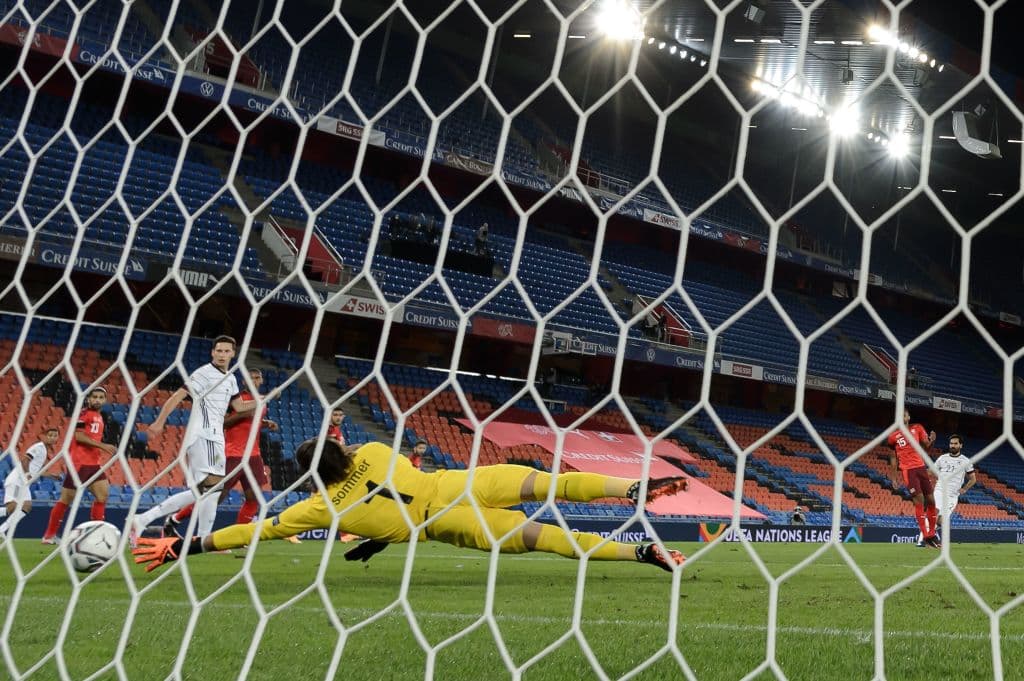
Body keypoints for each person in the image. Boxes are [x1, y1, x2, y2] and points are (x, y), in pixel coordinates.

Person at [133, 438, 689, 573]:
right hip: (456, 482)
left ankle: (639, 553)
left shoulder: (322, 510)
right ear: (340, 449)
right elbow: (380, 489)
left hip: (443, 522)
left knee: (541, 538)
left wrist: (185, 546)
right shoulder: (374, 449)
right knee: (546, 484)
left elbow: (255, 532)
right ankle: (629, 488)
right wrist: (379, 534)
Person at [130, 336, 260, 545]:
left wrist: (262, 400)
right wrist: (159, 421)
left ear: (233, 354)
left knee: (208, 492)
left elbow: (240, 407)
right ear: (212, 352)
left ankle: (199, 539)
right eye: (219, 351)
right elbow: (178, 396)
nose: (222, 355)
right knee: (211, 489)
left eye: (227, 351)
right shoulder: (203, 373)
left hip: (216, 438)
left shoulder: (231, 379)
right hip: (203, 435)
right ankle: (148, 520)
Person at [165, 368, 294, 541]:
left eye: (257, 377)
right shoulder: (234, 400)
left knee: (253, 498)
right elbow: (221, 423)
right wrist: (244, 414)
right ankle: (174, 520)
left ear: (261, 381)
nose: (254, 380)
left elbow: (250, 422)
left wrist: (264, 423)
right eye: (251, 378)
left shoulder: (261, 401)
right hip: (232, 454)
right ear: (243, 382)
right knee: (215, 498)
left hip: (254, 456)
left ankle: (238, 539)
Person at [42, 388, 116, 543]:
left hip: (93, 464)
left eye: (101, 397)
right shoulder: (83, 414)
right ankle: (49, 536)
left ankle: (96, 535)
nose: (97, 399)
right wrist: (103, 446)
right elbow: (79, 436)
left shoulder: (99, 416)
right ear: (88, 399)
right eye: (94, 397)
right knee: (66, 499)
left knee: (103, 495)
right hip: (79, 463)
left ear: (105, 400)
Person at [887, 408, 938, 548]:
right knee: (919, 500)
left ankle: (932, 533)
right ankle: (926, 535)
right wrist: (894, 477)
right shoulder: (893, 437)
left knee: (931, 500)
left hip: (921, 467)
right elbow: (893, 458)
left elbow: (926, 446)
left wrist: (932, 440)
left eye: (904, 415)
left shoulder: (918, 428)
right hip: (908, 470)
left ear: (908, 417)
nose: (902, 417)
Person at [0, 427, 61, 539]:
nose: (52, 438)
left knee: (26, 507)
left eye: (55, 436)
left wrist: (52, 476)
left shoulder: (45, 451)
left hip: (24, 483)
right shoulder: (38, 447)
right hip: (17, 480)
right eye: (50, 435)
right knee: (12, 508)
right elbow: (25, 460)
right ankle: (2, 529)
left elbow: (38, 471)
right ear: (45, 436)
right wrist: (27, 474)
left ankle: (2, 529)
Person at [916, 434, 976, 547]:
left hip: (952, 496)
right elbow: (931, 471)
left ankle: (932, 536)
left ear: (960, 445)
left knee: (940, 521)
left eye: (955, 443)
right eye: (951, 443)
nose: (952, 446)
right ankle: (922, 540)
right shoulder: (942, 458)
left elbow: (973, 479)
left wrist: (964, 489)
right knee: (934, 512)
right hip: (939, 491)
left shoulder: (966, 461)